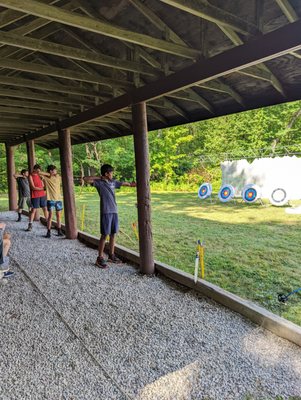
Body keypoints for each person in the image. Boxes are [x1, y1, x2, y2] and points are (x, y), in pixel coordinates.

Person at [84, 164, 136, 269]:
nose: (112, 174)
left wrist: (132, 184)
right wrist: (100, 177)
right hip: (106, 212)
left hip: (114, 211)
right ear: (106, 173)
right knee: (104, 235)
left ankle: (111, 255)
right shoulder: (99, 183)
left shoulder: (113, 182)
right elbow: (85, 179)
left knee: (113, 234)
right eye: (111, 172)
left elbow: (125, 183)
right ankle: (99, 258)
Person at [39, 165, 64, 238]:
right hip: (51, 200)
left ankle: (59, 230)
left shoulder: (58, 177)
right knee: (50, 216)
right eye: (55, 170)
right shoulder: (46, 178)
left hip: (58, 199)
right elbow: (39, 173)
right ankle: (48, 232)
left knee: (59, 215)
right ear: (51, 171)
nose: (56, 171)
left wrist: (52, 174)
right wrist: (49, 174)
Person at [26, 164, 48, 232]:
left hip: (42, 195)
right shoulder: (30, 176)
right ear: (34, 169)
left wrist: (43, 180)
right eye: (37, 170)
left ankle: (48, 222)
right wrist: (42, 188)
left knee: (45, 208)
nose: (39, 171)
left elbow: (44, 185)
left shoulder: (40, 175)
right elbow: (33, 187)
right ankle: (30, 224)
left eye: (39, 170)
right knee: (33, 210)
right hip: (35, 195)